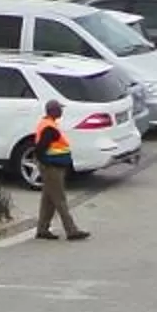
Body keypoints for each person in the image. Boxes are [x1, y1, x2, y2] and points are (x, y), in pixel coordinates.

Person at [32, 100, 90, 241]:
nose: (62, 111)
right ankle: (72, 231)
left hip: (51, 167)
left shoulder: (47, 124)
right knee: (60, 200)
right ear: (53, 111)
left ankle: (42, 229)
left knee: (48, 200)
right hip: (52, 168)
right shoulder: (49, 128)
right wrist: (47, 164)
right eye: (60, 109)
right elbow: (39, 150)